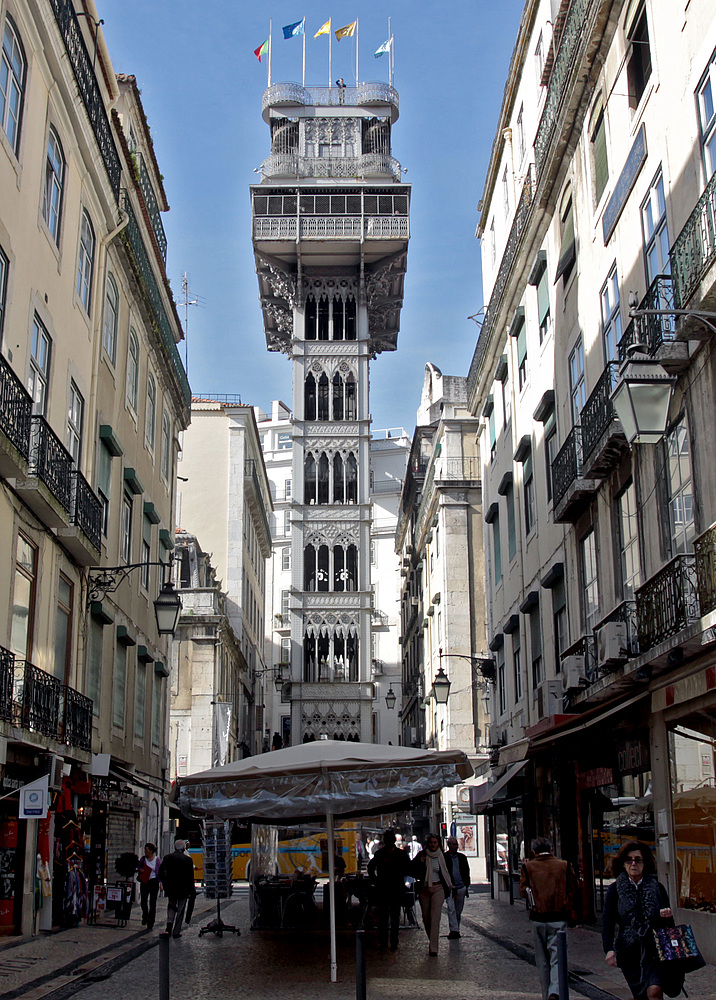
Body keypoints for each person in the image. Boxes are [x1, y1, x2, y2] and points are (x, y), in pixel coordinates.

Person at [602, 842, 676, 1000]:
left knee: (655, 991)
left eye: (638, 860)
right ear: (623, 863)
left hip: (654, 951)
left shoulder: (657, 888)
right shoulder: (615, 890)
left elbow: (670, 926)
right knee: (641, 996)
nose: (633, 863)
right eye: (629, 860)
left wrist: (666, 917)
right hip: (630, 953)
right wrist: (608, 949)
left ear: (645, 863)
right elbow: (607, 922)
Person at [519, 837, 579, 1000]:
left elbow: (523, 890)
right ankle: (555, 991)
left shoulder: (528, 866)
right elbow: (574, 886)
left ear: (533, 851)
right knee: (557, 958)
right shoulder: (563, 865)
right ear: (551, 849)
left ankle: (547, 994)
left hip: (538, 917)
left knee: (542, 960)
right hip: (559, 916)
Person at [367, 828, 412, 951]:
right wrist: (375, 880)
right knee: (385, 917)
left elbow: (408, 868)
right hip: (385, 889)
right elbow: (370, 868)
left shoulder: (398, 854)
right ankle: (385, 941)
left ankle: (392, 942)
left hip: (394, 889)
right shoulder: (381, 854)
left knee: (393, 916)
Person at [413, 833, 454, 956]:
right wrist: (421, 863)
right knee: (426, 918)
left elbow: (449, 872)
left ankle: (433, 949)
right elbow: (412, 868)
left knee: (435, 917)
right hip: (425, 889)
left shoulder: (443, 857)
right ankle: (432, 940)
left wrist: (453, 887)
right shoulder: (422, 855)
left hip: (438, 888)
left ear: (439, 844)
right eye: (431, 842)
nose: (433, 845)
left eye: (435, 842)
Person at [158, 838, 196, 938]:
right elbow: (190, 877)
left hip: (171, 889)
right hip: (183, 889)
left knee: (171, 907)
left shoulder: (167, 858)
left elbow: (160, 873)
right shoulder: (188, 860)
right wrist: (191, 890)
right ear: (183, 848)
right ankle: (176, 931)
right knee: (181, 909)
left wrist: (165, 884)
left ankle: (168, 927)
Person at [444, 836, 471, 938]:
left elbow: (466, 871)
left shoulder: (462, 857)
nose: (456, 847)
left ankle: (456, 928)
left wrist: (466, 885)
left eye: (456, 844)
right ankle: (454, 930)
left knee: (458, 910)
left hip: (461, 887)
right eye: (453, 844)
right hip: (450, 888)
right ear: (449, 845)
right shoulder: (445, 857)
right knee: (451, 909)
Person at [137, 842, 161, 931]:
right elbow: (139, 867)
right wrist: (141, 870)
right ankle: (145, 916)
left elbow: (159, 872)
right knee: (143, 900)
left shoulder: (157, 860)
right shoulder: (143, 859)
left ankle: (151, 922)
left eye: (146, 850)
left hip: (153, 882)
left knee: (152, 902)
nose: (145, 852)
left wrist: (161, 883)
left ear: (151, 851)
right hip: (145, 881)